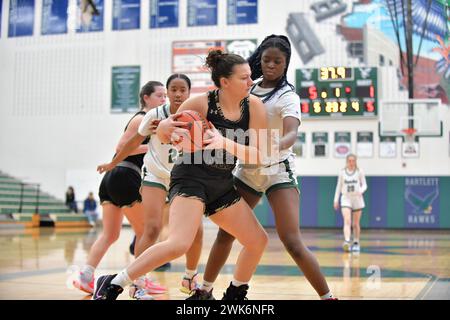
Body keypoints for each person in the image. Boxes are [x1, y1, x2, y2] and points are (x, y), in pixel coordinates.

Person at [92, 50, 269, 300]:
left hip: (221, 183)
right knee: (178, 244)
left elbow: (259, 155)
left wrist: (223, 142)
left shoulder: (254, 106)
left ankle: (235, 294)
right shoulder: (200, 103)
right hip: (190, 178)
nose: (251, 82)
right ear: (225, 82)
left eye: (250, 77)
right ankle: (113, 282)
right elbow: (167, 134)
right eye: (244, 78)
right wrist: (163, 128)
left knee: (257, 240)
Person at [189, 35, 335, 300]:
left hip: (278, 169)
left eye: (277, 61)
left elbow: (292, 132)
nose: (270, 65)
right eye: (266, 59)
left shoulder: (288, 96)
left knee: (292, 241)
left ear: (285, 63)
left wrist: (278, 143)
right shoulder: (248, 87)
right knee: (227, 233)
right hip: (248, 167)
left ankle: (327, 296)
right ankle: (205, 291)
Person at [97, 74, 203, 296]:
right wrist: (113, 162)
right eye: (173, 89)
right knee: (151, 228)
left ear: (189, 92)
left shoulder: (196, 115)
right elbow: (132, 142)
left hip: (180, 178)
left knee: (195, 229)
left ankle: (190, 277)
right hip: (154, 175)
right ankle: (138, 282)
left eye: (182, 89)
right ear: (167, 91)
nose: (177, 94)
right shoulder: (155, 115)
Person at [72, 81, 167, 297]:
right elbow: (121, 146)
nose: (164, 100)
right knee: (146, 231)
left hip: (112, 178)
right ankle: (139, 282)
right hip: (125, 175)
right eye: (160, 96)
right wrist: (155, 144)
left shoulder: (150, 120)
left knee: (110, 234)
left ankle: (86, 277)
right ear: (146, 98)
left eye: (164, 96)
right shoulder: (143, 118)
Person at [333, 153, 367, 252]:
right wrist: (335, 200)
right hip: (346, 198)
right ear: (347, 162)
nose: (351, 163)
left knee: (355, 224)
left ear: (355, 162)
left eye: (353, 161)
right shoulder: (342, 172)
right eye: (350, 161)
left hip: (357, 198)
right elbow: (338, 187)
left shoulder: (359, 171)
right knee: (347, 221)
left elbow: (365, 185)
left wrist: (361, 190)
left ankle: (356, 242)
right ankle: (347, 241)